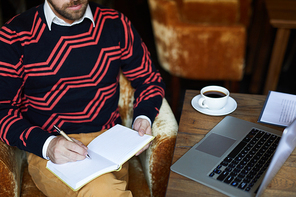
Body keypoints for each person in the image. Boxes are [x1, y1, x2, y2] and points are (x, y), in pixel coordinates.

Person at [0, 0, 165, 196]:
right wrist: (48, 144)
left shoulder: (116, 23)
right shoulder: (14, 34)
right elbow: (3, 110)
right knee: (103, 190)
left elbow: (149, 79)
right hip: (51, 152)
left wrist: (143, 117)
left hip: (111, 145)